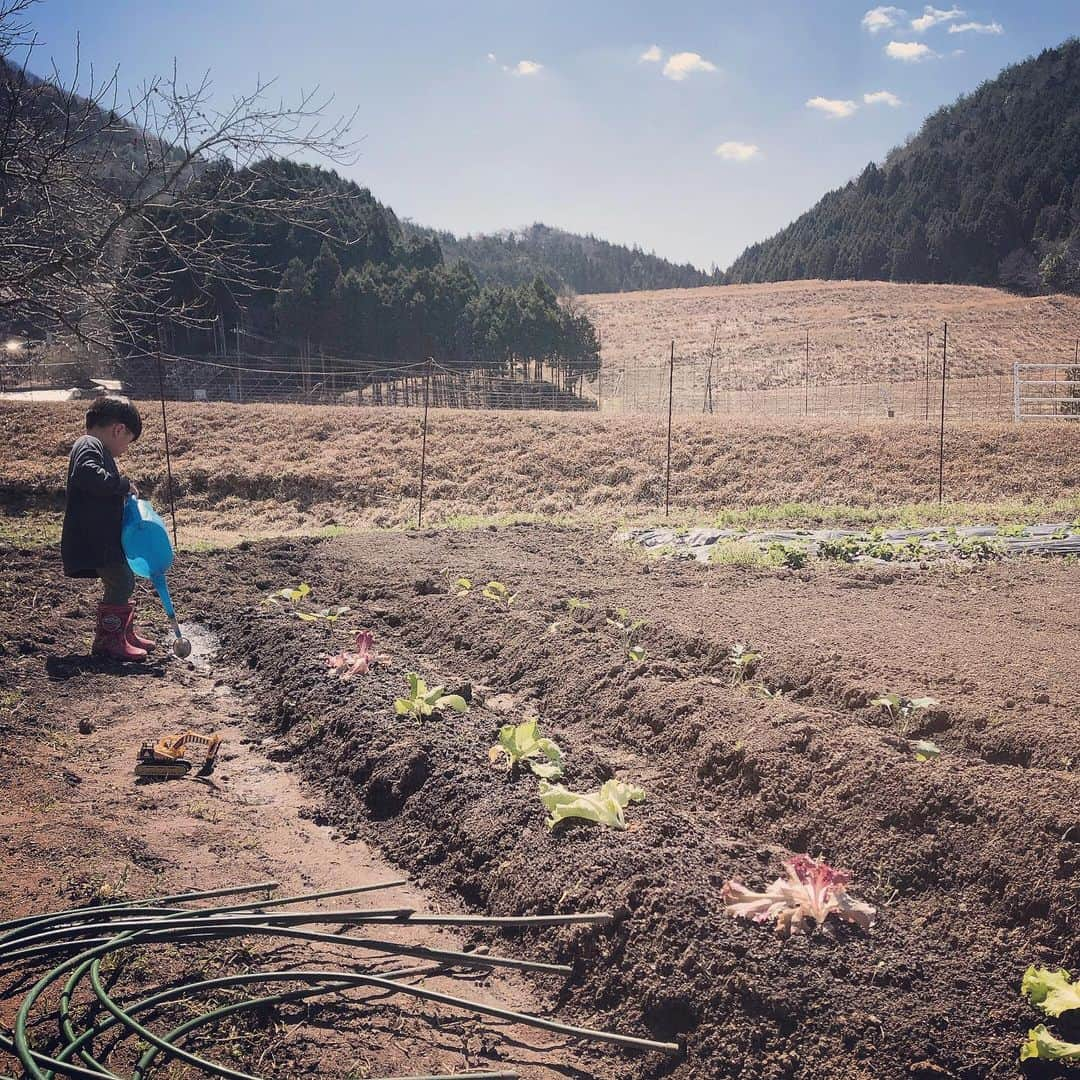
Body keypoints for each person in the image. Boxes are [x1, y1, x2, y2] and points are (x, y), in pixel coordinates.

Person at [61, 396, 155, 661]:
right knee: (122, 580)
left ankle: (123, 633)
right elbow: (86, 474)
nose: (124, 449)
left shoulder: (90, 446)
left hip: (102, 537)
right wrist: (122, 485)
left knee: (123, 579)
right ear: (118, 430)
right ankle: (109, 641)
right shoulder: (88, 445)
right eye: (128, 441)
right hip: (95, 538)